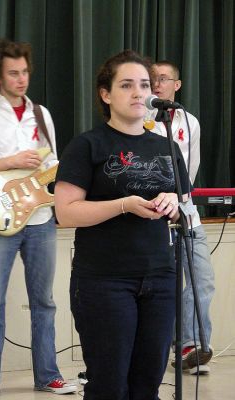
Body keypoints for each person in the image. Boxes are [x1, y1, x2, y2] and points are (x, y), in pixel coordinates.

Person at [54, 50, 190, 400]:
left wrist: (174, 202)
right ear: (105, 93)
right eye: (126, 85)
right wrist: (124, 205)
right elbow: (66, 212)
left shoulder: (167, 147)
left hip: (160, 277)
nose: (138, 93)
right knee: (110, 386)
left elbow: (181, 204)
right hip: (104, 280)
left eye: (144, 85)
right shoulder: (87, 145)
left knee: (148, 383)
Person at [0, 38, 77, 398]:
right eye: (13, 73)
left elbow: (52, 163)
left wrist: (60, 169)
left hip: (40, 218)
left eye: (25, 71)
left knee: (45, 302)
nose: (21, 79)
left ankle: (48, 376)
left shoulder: (43, 114)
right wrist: (9, 162)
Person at [148, 60, 215, 374]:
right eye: (152, 79)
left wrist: (181, 198)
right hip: (154, 214)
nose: (157, 84)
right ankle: (165, 349)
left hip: (187, 211)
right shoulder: (143, 121)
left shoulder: (190, 122)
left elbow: (192, 167)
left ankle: (192, 346)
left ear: (177, 84)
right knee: (163, 285)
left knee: (202, 279)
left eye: (163, 78)